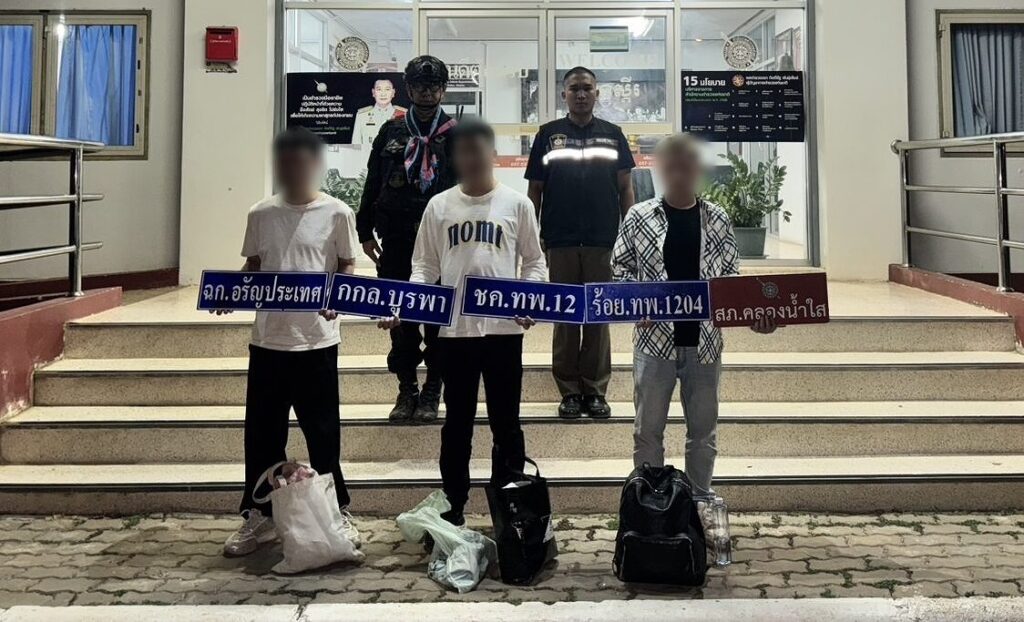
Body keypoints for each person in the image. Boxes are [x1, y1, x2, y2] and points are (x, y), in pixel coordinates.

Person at [378, 119, 546, 525]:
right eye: (464, 152)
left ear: (493, 155)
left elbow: (535, 263)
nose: (472, 158)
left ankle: (512, 512)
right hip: (454, 334)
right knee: (457, 424)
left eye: (478, 151)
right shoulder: (439, 206)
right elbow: (424, 268)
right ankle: (453, 506)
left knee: (507, 424)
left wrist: (529, 298)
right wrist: (406, 305)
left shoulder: (517, 204)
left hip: (504, 332)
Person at [611, 133, 777, 500]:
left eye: (686, 163)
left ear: (697, 168)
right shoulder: (639, 217)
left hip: (705, 344)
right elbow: (620, 270)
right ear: (660, 169)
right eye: (671, 163)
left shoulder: (716, 218)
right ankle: (651, 509)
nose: (679, 170)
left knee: (703, 434)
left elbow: (731, 279)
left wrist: (756, 313)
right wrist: (636, 303)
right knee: (647, 432)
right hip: (654, 344)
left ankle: (699, 503)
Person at [218, 126, 361, 556]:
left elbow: (347, 264)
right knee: (262, 437)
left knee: (324, 437)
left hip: (317, 342)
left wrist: (338, 296)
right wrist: (230, 292)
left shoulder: (338, 213)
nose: (294, 168)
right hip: (268, 343)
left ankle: (336, 513)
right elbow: (253, 265)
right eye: (287, 160)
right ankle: (259, 516)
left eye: (303, 160)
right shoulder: (260, 213)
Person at [525, 66, 636, 421]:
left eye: (587, 88)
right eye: (574, 89)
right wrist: (531, 236)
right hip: (560, 239)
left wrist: (630, 232)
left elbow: (625, 188)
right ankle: (570, 392)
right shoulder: (547, 135)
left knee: (598, 317)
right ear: (564, 95)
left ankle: (596, 390)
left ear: (597, 93)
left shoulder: (613, 135)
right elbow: (535, 190)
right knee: (566, 317)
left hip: (603, 239)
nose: (581, 94)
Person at [358, 56, 457, 425]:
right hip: (398, 239)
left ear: (443, 90)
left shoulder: (458, 134)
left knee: (438, 321)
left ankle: (433, 389)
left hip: (444, 244)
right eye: (419, 86)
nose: (427, 92)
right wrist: (364, 230)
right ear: (409, 89)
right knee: (400, 320)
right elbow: (373, 180)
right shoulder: (391, 131)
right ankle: (406, 387)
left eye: (433, 86)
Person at [352, 79, 405, 146]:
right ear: (373, 92)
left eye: (387, 89)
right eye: (379, 89)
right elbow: (356, 145)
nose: (383, 94)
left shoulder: (403, 115)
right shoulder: (362, 116)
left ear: (393, 92)